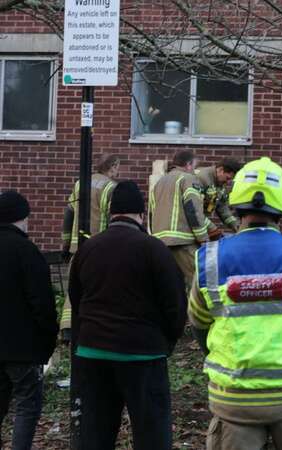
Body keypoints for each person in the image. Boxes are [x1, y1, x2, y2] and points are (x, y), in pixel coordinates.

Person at [189, 157, 282, 450]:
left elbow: (199, 325)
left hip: (233, 397)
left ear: (236, 204)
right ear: (281, 206)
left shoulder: (210, 258)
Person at [68, 180, 187, 450]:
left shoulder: (88, 248)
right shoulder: (154, 249)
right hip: (143, 353)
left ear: (111, 213)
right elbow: (175, 306)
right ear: (141, 214)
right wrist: (166, 342)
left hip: (93, 353)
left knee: (95, 435)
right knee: (151, 434)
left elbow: (76, 299)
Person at [0, 190, 58, 450]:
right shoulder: (26, 251)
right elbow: (42, 304)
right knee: (27, 405)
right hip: (21, 349)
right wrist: (47, 343)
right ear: (21, 218)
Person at [60, 154, 121, 340]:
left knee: (74, 285)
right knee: (98, 286)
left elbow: (69, 214)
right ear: (112, 167)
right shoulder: (112, 187)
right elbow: (114, 218)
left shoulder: (80, 183)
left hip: (77, 246)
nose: (118, 171)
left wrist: (66, 243)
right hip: (99, 246)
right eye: (117, 167)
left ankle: (67, 328)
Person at [150, 150, 211, 290]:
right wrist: (203, 238)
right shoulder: (188, 179)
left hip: (160, 243)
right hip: (183, 243)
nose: (194, 170)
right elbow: (193, 210)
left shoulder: (160, 182)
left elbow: (152, 212)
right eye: (194, 166)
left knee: (170, 286)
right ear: (188, 164)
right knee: (200, 282)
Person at [195, 157, 244, 240]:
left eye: (231, 179)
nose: (228, 182)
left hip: (200, 226)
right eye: (228, 178)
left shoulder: (220, 183)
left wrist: (236, 225)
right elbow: (194, 210)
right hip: (189, 226)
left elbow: (222, 207)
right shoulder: (201, 178)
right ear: (220, 170)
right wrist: (213, 229)